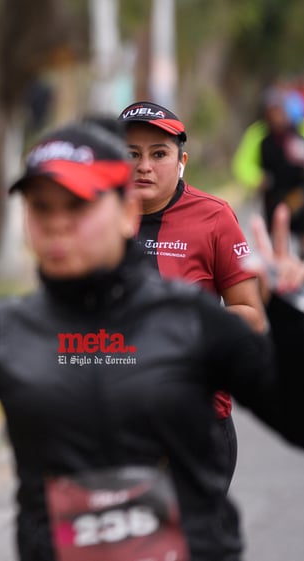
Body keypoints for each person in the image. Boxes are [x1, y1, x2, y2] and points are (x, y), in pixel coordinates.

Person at [0, 119, 304, 561]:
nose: (57, 224)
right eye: (42, 207)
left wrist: (290, 317)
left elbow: (301, 423)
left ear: (127, 213)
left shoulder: (189, 319)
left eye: (78, 205)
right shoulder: (11, 330)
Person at [118, 100, 266, 491]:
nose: (144, 166)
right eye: (131, 153)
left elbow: (250, 314)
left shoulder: (214, 217)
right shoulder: (92, 218)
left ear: (181, 159)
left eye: (159, 154)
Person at [232, 86, 304, 260]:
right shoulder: (258, 134)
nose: (276, 116)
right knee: (276, 229)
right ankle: (279, 264)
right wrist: (257, 179)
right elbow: (242, 164)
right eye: (271, 111)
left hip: (298, 191)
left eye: (279, 110)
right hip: (273, 191)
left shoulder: (303, 130)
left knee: (303, 228)